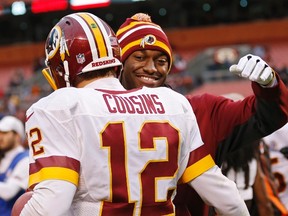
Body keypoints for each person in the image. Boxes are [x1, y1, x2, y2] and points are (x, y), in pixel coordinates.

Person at [16, 12, 249, 216]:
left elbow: (51, 206)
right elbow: (227, 199)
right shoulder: (173, 103)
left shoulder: (59, 106)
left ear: (62, 68)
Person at [116, 13, 288, 215]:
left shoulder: (201, 111)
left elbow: (266, 116)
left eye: (161, 60)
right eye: (139, 57)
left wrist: (270, 86)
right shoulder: (93, 113)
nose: (152, 68)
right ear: (119, 63)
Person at [0, 115, 29, 216]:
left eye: (5, 133)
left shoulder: (25, 159)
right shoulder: (3, 157)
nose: (0, 136)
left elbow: (9, 192)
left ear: (17, 136)